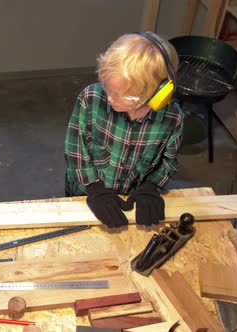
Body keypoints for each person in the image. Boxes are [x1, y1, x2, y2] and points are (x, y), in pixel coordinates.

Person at [64, 32, 184, 228]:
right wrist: (95, 189)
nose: (111, 99)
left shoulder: (172, 119)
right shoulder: (90, 99)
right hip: (85, 192)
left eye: (124, 95)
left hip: (130, 196)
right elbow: (75, 149)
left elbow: (168, 162)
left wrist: (150, 187)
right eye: (109, 89)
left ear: (160, 92)